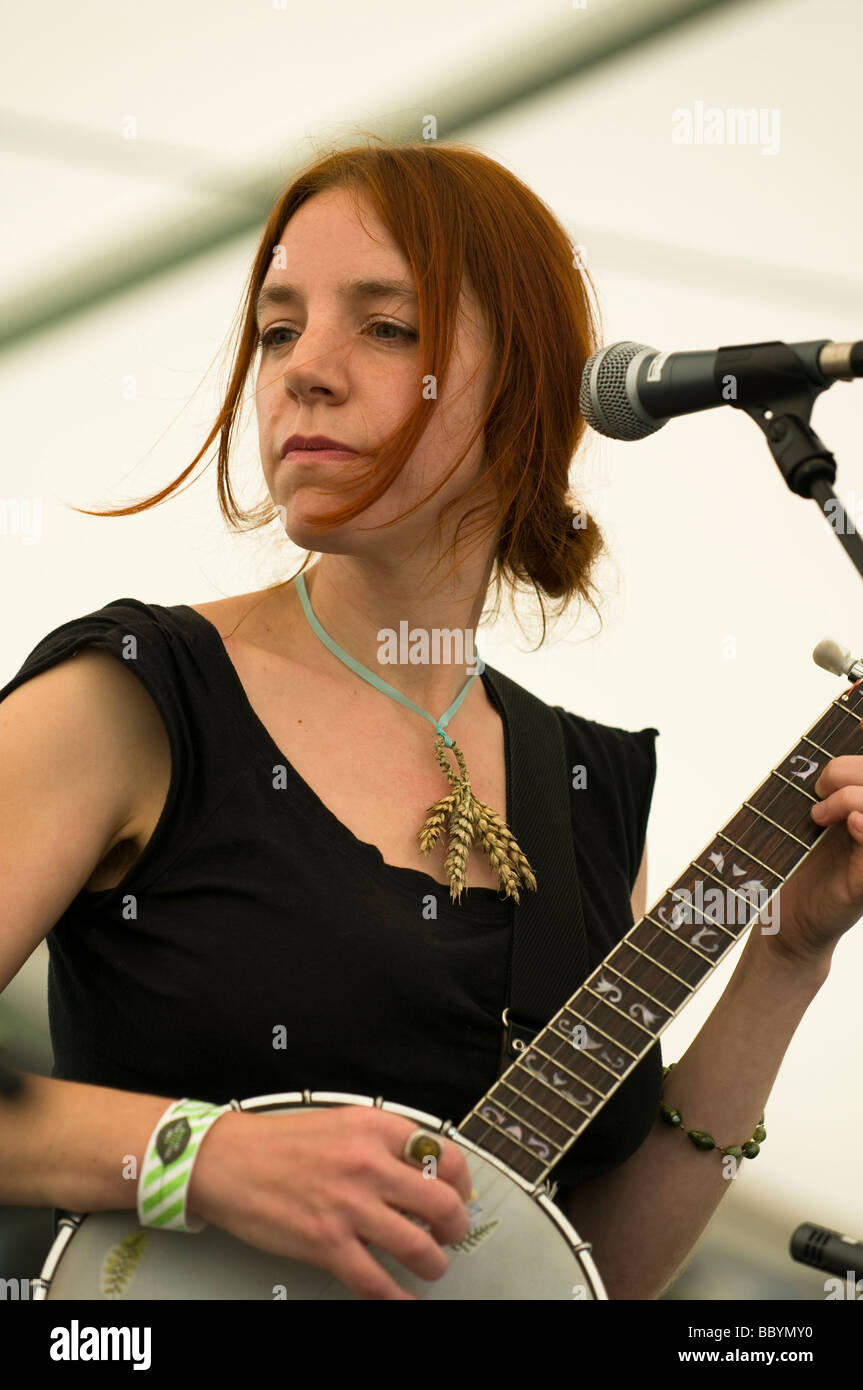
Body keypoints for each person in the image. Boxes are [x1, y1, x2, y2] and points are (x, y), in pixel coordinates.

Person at [0, 141, 860, 1303]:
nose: (304, 370)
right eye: (277, 329)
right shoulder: (137, 693)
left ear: (525, 384)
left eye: (384, 327)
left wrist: (787, 950)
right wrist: (199, 1158)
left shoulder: (583, 786)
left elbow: (573, 1270)